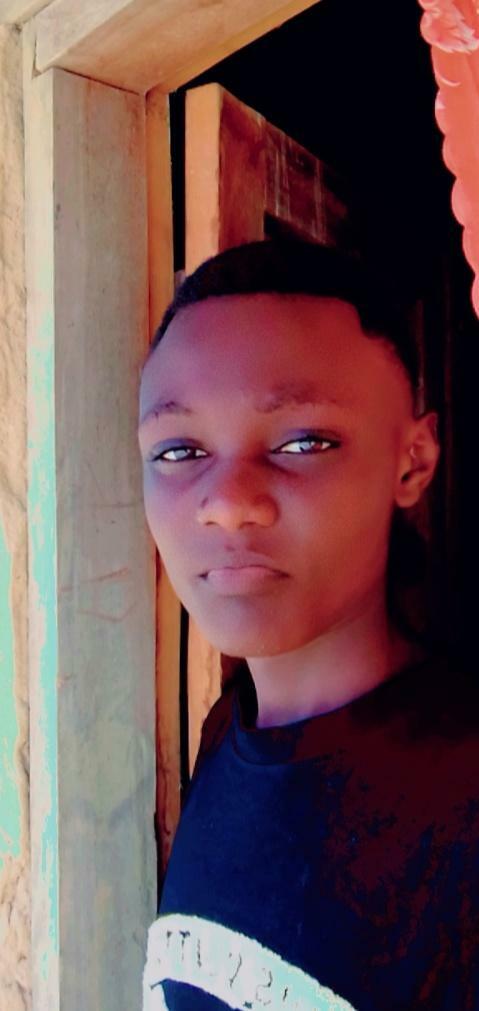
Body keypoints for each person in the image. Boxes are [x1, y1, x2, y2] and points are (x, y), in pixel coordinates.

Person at [139, 238, 478, 1010]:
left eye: (303, 442)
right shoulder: (224, 734)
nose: (228, 503)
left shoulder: (461, 802)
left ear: (412, 461)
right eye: (179, 450)